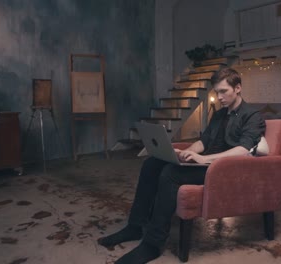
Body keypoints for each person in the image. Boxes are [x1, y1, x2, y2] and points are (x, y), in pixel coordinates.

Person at [98, 67, 266, 263]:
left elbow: (243, 150)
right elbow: (204, 141)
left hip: (225, 170)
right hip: (206, 165)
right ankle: (135, 227)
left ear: (238, 88)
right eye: (216, 92)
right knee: (152, 163)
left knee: (171, 173)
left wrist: (204, 159)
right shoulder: (219, 114)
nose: (219, 97)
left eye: (223, 91)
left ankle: (153, 244)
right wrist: (191, 152)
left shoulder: (252, 116)